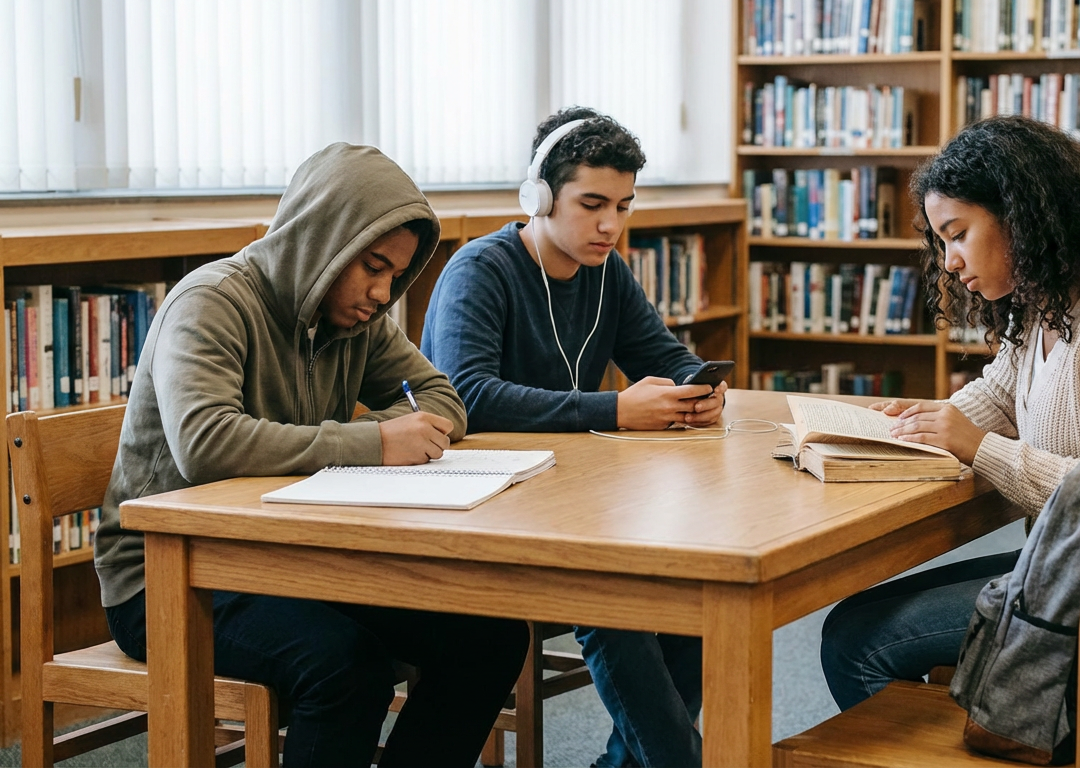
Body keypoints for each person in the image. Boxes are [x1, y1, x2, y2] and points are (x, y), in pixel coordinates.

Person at [96, 143, 530, 768]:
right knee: (344, 669)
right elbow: (205, 443)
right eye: (373, 267)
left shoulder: (356, 319)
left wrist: (383, 432)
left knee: (487, 637)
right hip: (168, 576)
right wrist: (375, 442)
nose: (382, 293)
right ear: (322, 240)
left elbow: (442, 398)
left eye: (395, 276)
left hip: (289, 555)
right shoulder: (210, 302)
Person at [819, 116, 1080, 711]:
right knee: (852, 616)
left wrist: (979, 447)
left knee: (856, 643)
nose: (949, 262)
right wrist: (913, 426)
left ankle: (980, 740)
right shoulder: (1047, 304)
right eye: (941, 243)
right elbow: (999, 396)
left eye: (958, 234)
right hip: (1079, 571)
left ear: (1020, 216)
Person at [421, 107, 718, 767]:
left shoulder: (606, 272)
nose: (611, 225)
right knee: (614, 599)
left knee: (693, 590)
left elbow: (664, 357)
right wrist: (614, 409)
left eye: (623, 206)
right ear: (539, 196)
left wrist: (698, 388)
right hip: (480, 511)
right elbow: (467, 396)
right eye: (592, 204)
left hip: (571, 502)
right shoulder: (481, 269)